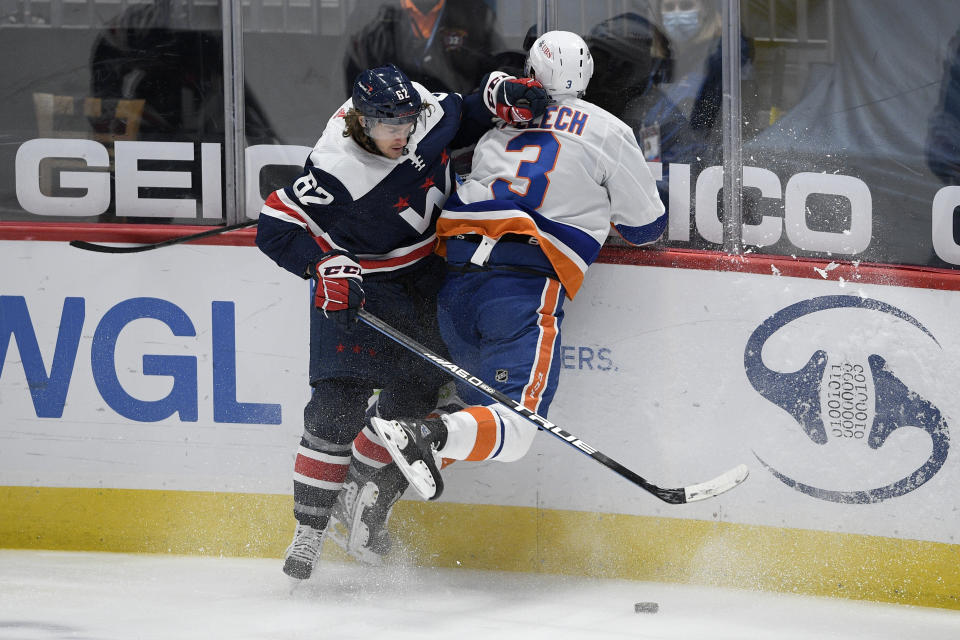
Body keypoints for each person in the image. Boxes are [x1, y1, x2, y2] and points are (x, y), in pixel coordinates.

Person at [254, 63, 548, 579]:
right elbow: (275, 228)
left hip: (426, 276)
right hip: (361, 286)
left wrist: (497, 97)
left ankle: (359, 489)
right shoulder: (335, 168)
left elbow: (466, 110)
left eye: (407, 123)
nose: (402, 135)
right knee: (334, 409)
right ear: (361, 122)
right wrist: (321, 264)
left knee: (412, 400)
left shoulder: (422, 114)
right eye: (389, 126)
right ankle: (309, 530)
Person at [366, 32, 667, 501]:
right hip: (521, 289)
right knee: (518, 427)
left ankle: (377, 492)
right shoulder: (607, 130)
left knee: (478, 409)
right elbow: (646, 228)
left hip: (456, 284)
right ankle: (423, 436)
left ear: (531, 69)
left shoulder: (499, 122)